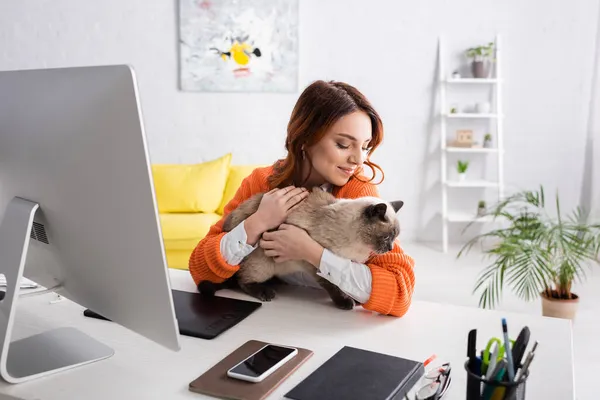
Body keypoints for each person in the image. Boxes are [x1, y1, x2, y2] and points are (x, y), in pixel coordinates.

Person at [188, 80, 415, 317]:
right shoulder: (262, 182)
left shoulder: (359, 194)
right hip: (264, 316)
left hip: (322, 322)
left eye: (365, 147)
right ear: (305, 138)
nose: (358, 160)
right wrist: (256, 224)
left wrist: (310, 251)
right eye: (343, 144)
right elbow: (200, 270)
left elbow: (400, 294)